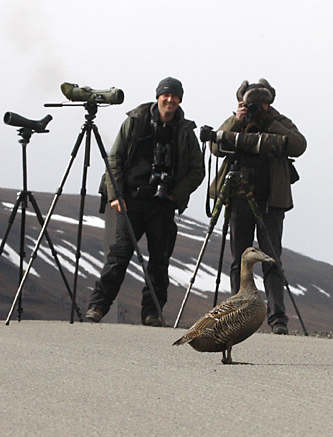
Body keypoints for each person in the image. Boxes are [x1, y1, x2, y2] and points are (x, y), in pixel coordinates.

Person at [85, 77, 205, 326]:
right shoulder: (136, 121)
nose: (169, 100)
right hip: (131, 200)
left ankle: (152, 313)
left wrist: (176, 194)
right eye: (166, 95)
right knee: (119, 256)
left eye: (174, 96)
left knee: (159, 262)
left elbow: (197, 170)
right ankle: (97, 307)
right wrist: (116, 194)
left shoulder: (184, 131)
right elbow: (114, 158)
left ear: (180, 99)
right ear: (158, 96)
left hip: (163, 204)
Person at [210, 78, 307, 334]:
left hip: (271, 202)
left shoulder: (280, 123)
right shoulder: (237, 122)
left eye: (263, 104)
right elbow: (214, 146)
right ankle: (237, 316)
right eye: (253, 104)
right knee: (238, 261)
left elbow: (299, 145)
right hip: (239, 199)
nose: (258, 108)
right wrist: (237, 120)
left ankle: (278, 320)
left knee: (272, 260)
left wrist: (271, 121)